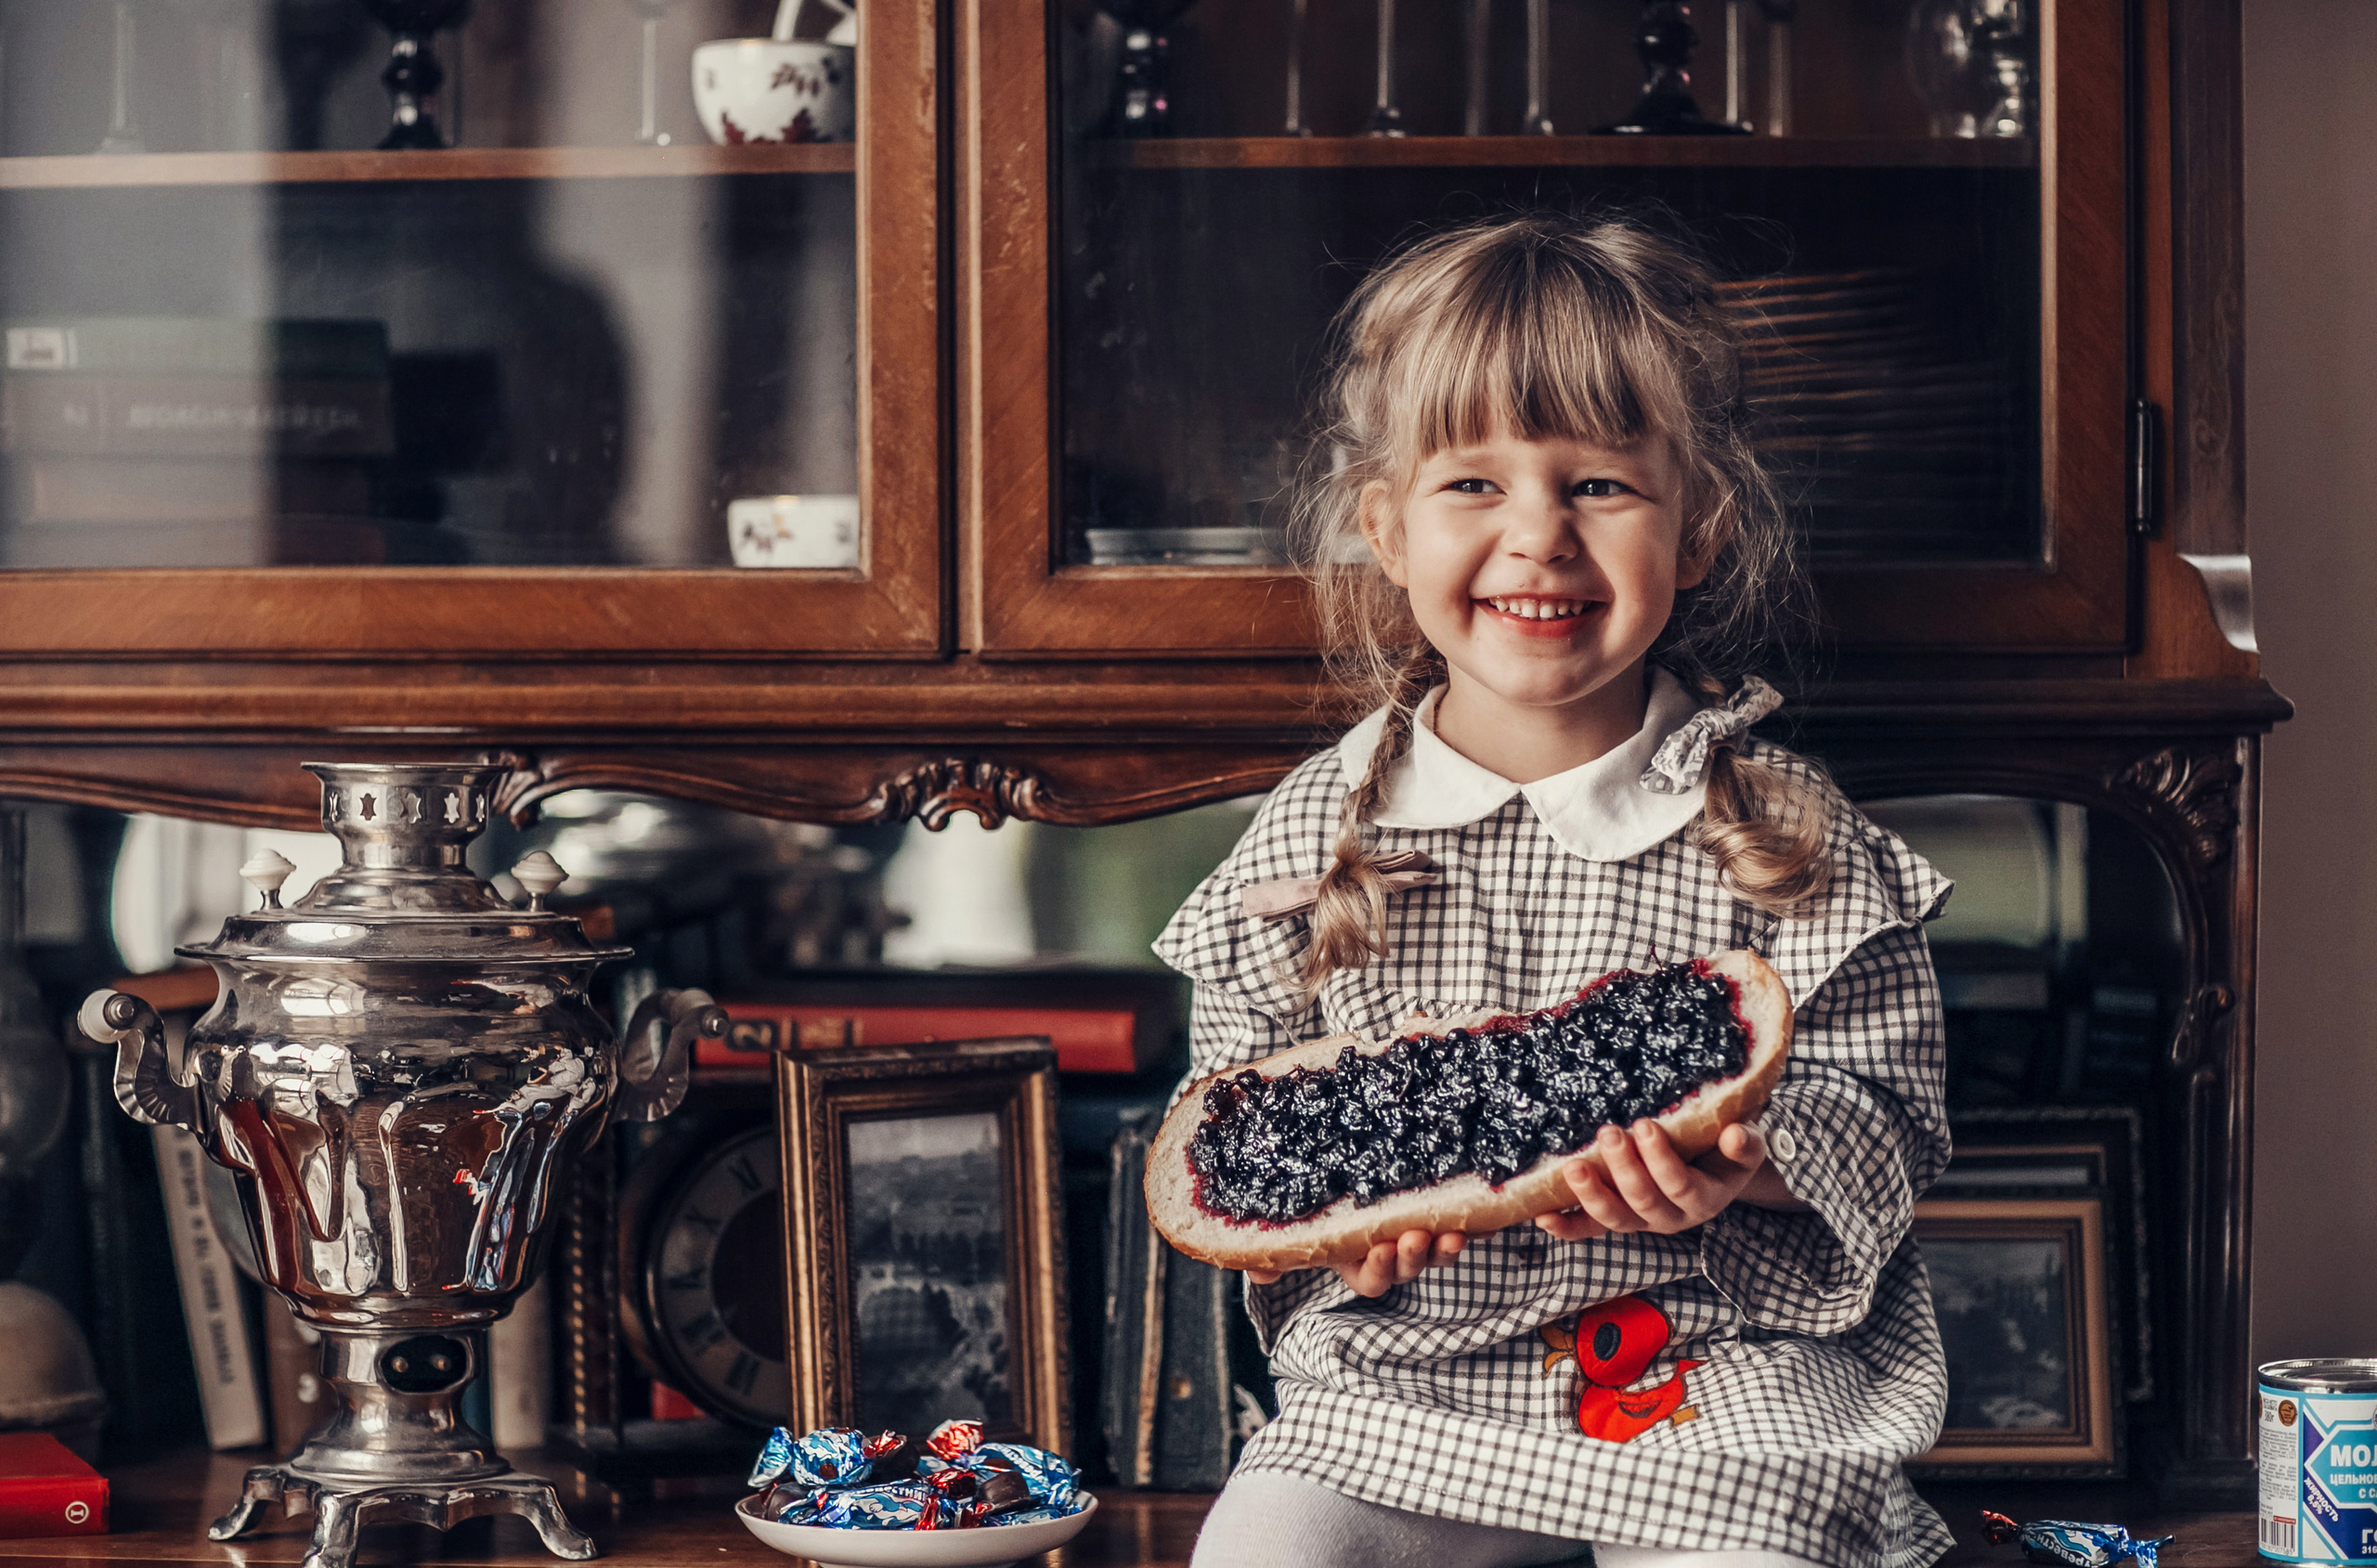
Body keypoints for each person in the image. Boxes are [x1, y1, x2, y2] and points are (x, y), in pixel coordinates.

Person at [1152, 214, 1954, 1568]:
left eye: (1598, 485)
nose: (1540, 537)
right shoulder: (1309, 835)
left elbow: (1891, 1121)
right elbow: (1238, 1105)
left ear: (1697, 530)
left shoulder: (1790, 832)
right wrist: (1330, 1239)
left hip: (1723, 1377)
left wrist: (1742, 1172)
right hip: (1413, 1383)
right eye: (1474, 484)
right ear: (1384, 531)